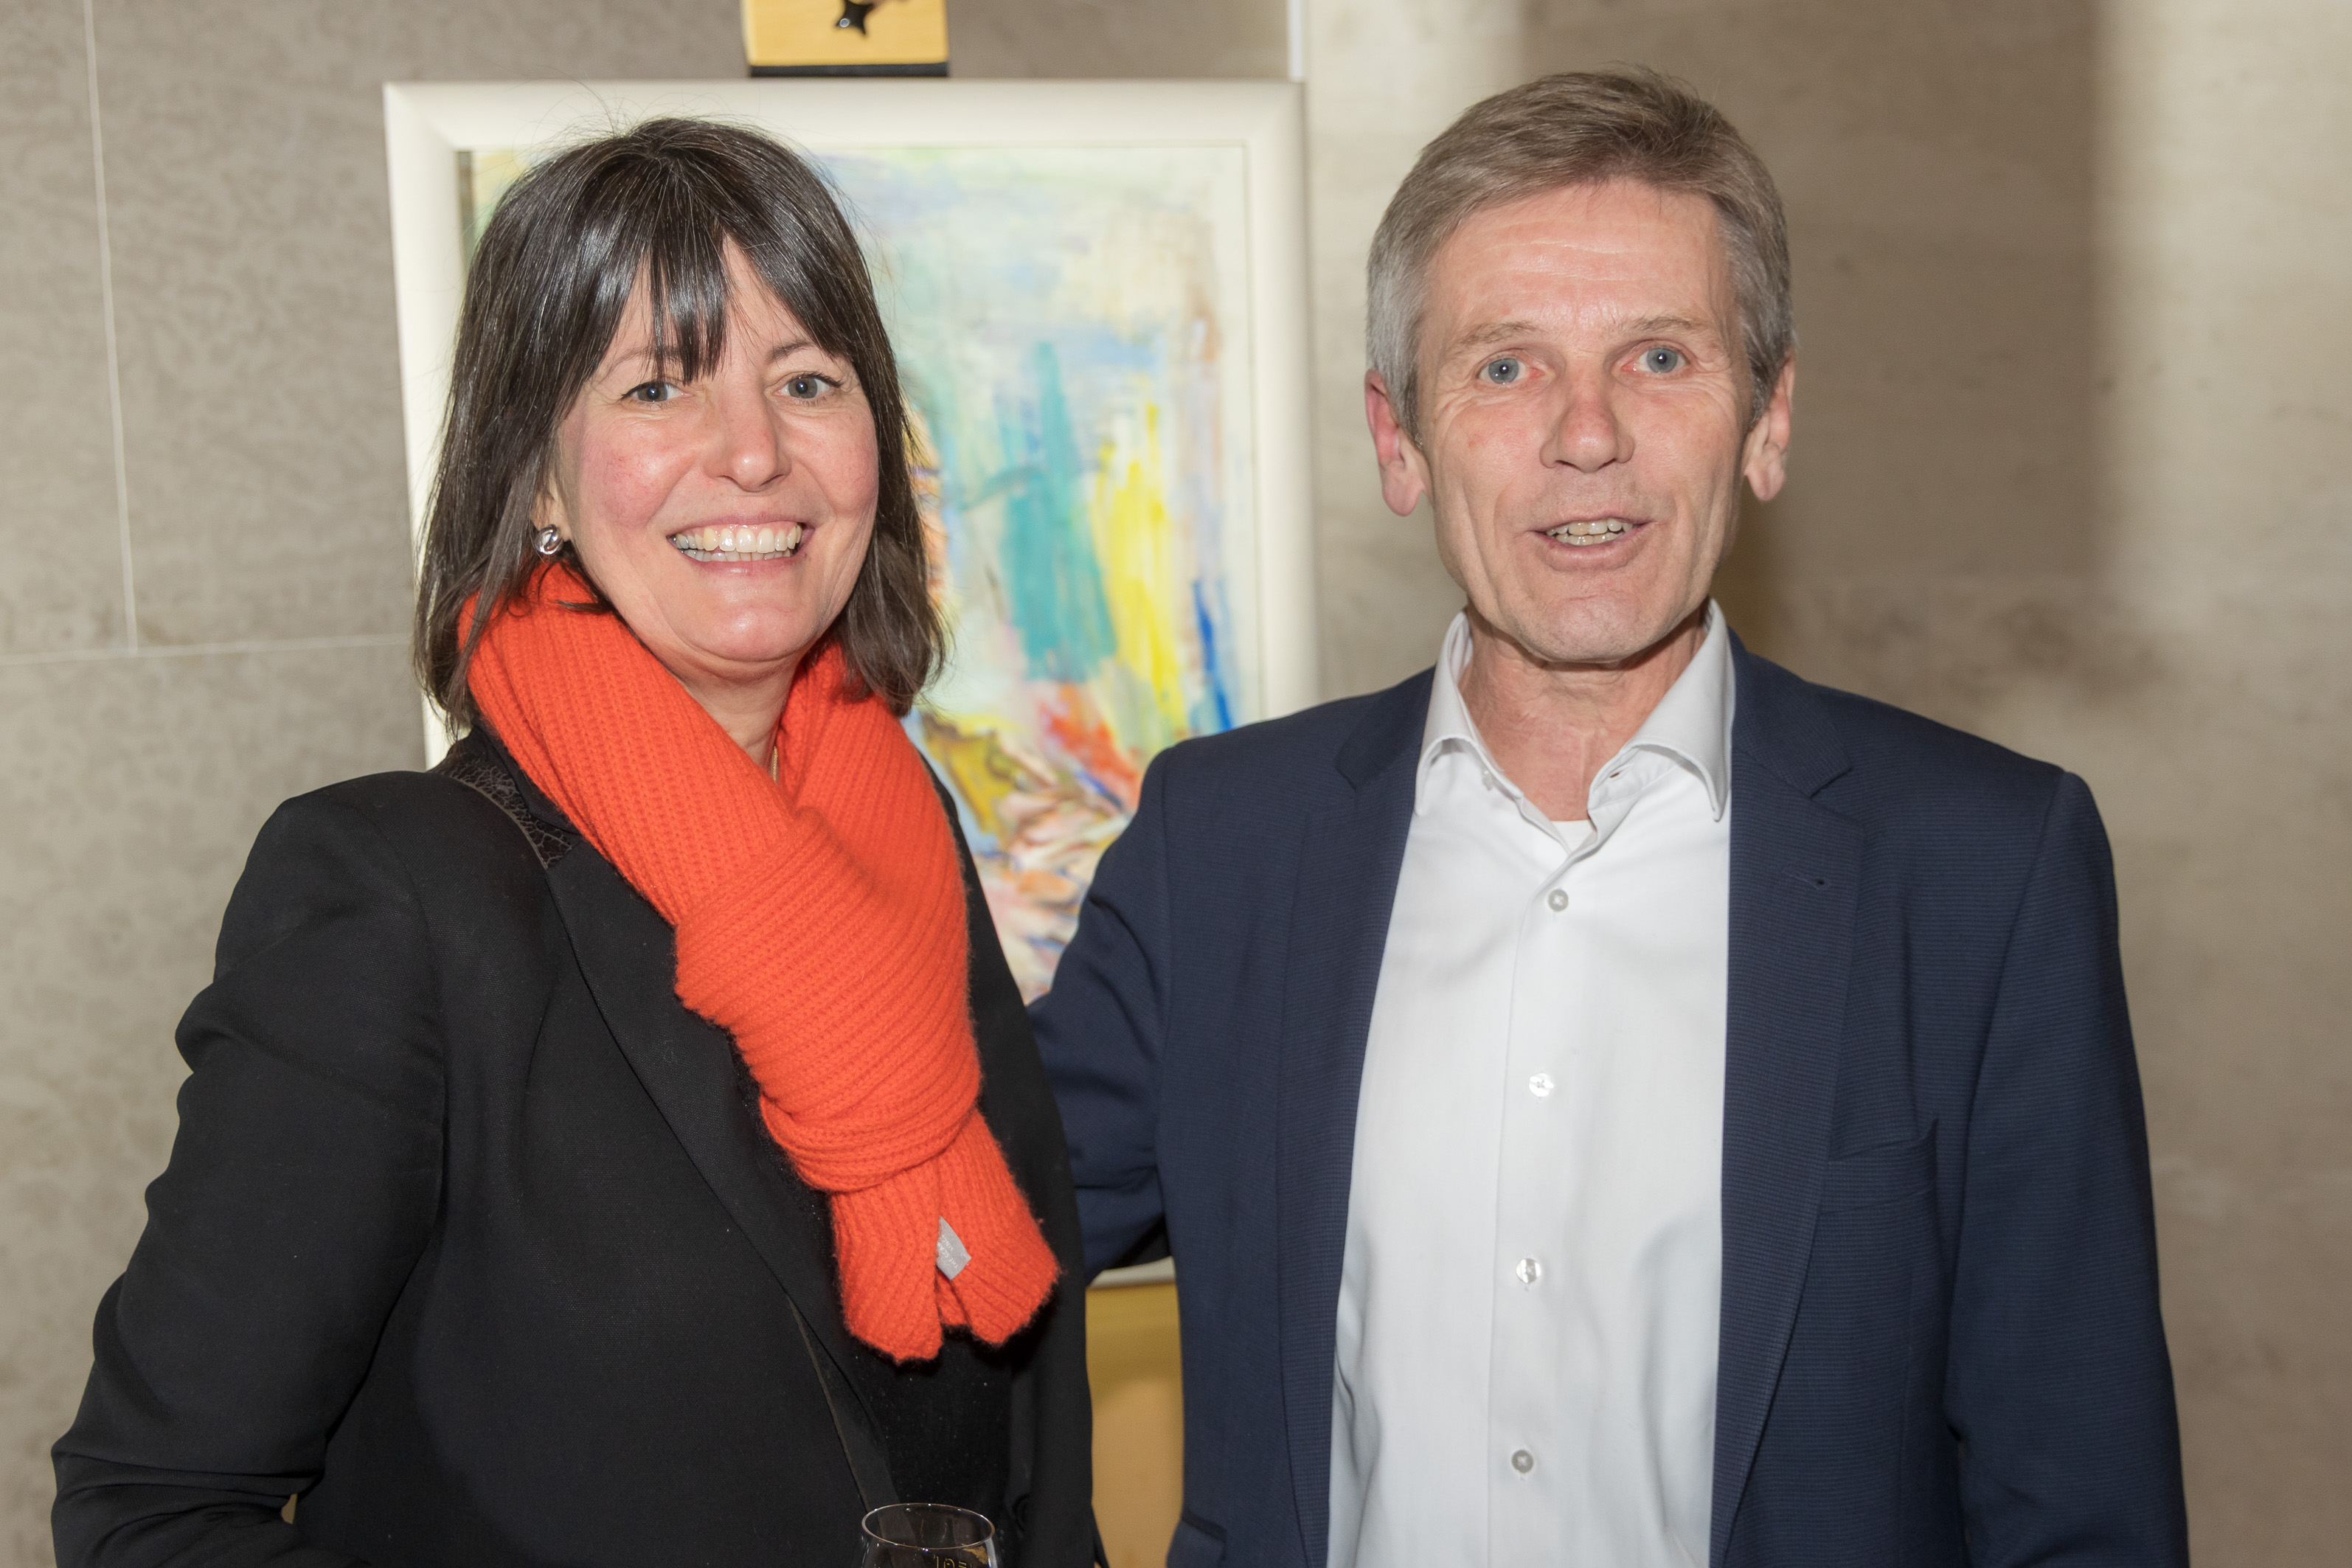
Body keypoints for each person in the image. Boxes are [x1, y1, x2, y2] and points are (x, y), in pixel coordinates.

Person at [1033, 69, 2187, 1568]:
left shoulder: (1981, 870)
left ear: (1766, 419)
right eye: (1505, 366)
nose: (1586, 434)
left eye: (1656, 357)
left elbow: (2080, 1499)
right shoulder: (1223, 848)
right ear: (1397, 440)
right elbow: (941, 1248)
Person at [54, 119, 1095, 1568]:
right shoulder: (395, 894)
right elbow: (152, 1513)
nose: (753, 451)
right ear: (538, 479)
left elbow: (1019, 1445)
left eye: (807, 380)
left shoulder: (902, 838)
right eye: (658, 385)